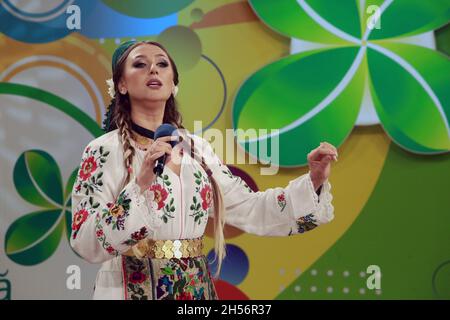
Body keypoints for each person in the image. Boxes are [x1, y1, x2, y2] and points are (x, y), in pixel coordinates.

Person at [70, 40, 338, 300]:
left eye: (162, 64)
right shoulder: (103, 150)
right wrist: (139, 184)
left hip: (195, 290)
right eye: (140, 64)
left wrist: (314, 180)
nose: (153, 69)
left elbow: (250, 208)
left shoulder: (197, 150)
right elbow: (85, 241)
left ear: (173, 84)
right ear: (121, 85)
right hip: (127, 288)